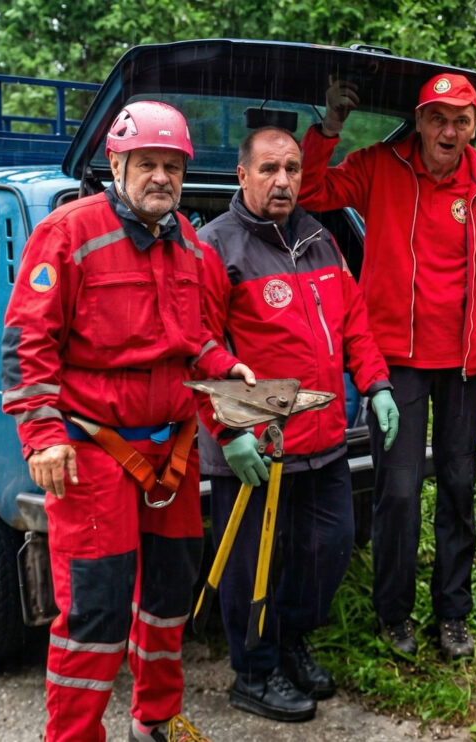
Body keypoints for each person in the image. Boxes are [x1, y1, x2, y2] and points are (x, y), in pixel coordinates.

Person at [1, 100, 249, 742]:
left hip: (171, 452)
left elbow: (193, 337)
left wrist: (229, 371)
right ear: (116, 163)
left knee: (168, 601)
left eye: (173, 165)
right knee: (96, 610)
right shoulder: (68, 233)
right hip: (93, 453)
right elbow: (27, 342)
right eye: (148, 164)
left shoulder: (189, 244)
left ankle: (156, 723)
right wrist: (43, 436)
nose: (161, 176)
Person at [298, 72, 476, 659]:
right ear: (420, 121)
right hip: (396, 364)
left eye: (461, 121)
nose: (449, 131)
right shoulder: (380, 165)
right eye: (437, 119)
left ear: (474, 125)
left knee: (457, 486)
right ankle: (393, 613)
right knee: (397, 492)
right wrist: (329, 127)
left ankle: (453, 614)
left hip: (466, 367)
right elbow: (309, 192)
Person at [196, 126, 399, 721]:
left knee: (329, 549)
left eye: (291, 168)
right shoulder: (216, 247)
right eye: (268, 169)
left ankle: (288, 640)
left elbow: (355, 323)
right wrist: (230, 435)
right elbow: (200, 348)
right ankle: (253, 672)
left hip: (324, 438)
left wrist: (378, 383)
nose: (283, 180)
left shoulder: (320, 236)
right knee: (250, 563)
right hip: (257, 447)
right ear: (242, 175)